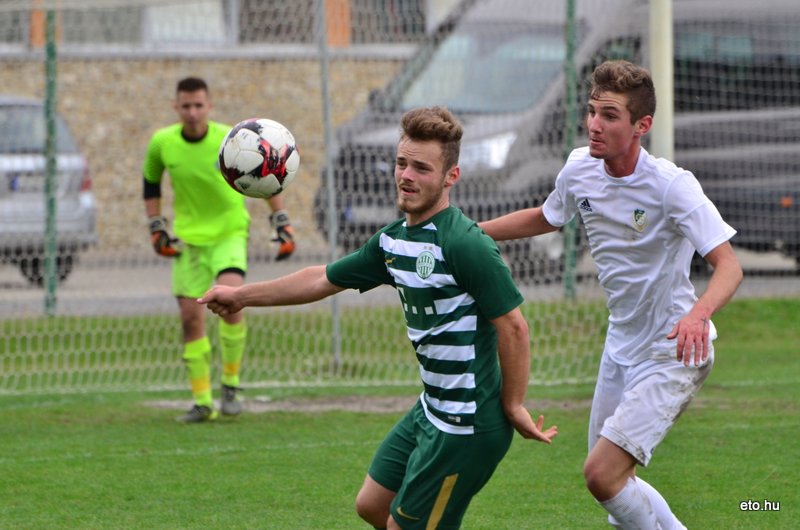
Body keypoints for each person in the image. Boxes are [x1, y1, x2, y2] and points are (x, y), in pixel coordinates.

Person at [199, 106, 558, 528]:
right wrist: (242, 296)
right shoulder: (393, 240)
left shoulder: (466, 244)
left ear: (450, 177)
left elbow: (513, 326)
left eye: (422, 168)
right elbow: (320, 279)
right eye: (402, 163)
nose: (406, 175)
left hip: (467, 426)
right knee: (372, 506)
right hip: (432, 409)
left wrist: (513, 404)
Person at [480, 60, 743, 529]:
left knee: (603, 476)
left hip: (673, 351)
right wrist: (472, 232)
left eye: (609, 116)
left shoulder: (672, 186)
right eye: (592, 112)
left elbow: (729, 265)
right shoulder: (580, 169)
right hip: (620, 349)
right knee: (614, 484)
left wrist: (699, 314)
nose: (594, 125)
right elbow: (547, 216)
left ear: (642, 126)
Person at [143, 76, 296, 423]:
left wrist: (281, 220)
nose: (193, 112)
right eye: (186, 106)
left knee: (230, 301)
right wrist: (156, 226)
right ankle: (202, 402)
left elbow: (265, 173)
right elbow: (150, 183)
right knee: (189, 317)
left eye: (199, 105)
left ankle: (230, 382)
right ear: (176, 107)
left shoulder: (233, 139)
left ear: (209, 106)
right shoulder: (161, 142)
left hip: (229, 232)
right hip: (188, 239)